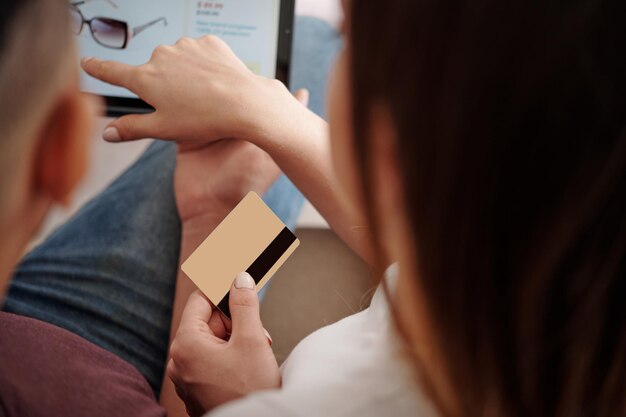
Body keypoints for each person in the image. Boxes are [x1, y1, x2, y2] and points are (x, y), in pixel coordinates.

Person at [81, 0, 626, 416]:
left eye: (351, 38)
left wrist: (231, 402)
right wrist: (254, 133)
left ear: (387, 150)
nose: (340, 50)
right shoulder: (565, 275)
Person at [0, 1, 331, 416]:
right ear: (64, 155)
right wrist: (241, 406)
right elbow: (192, 381)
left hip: (25, 323)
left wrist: (213, 209)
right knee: (315, 48)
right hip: (71, 347)